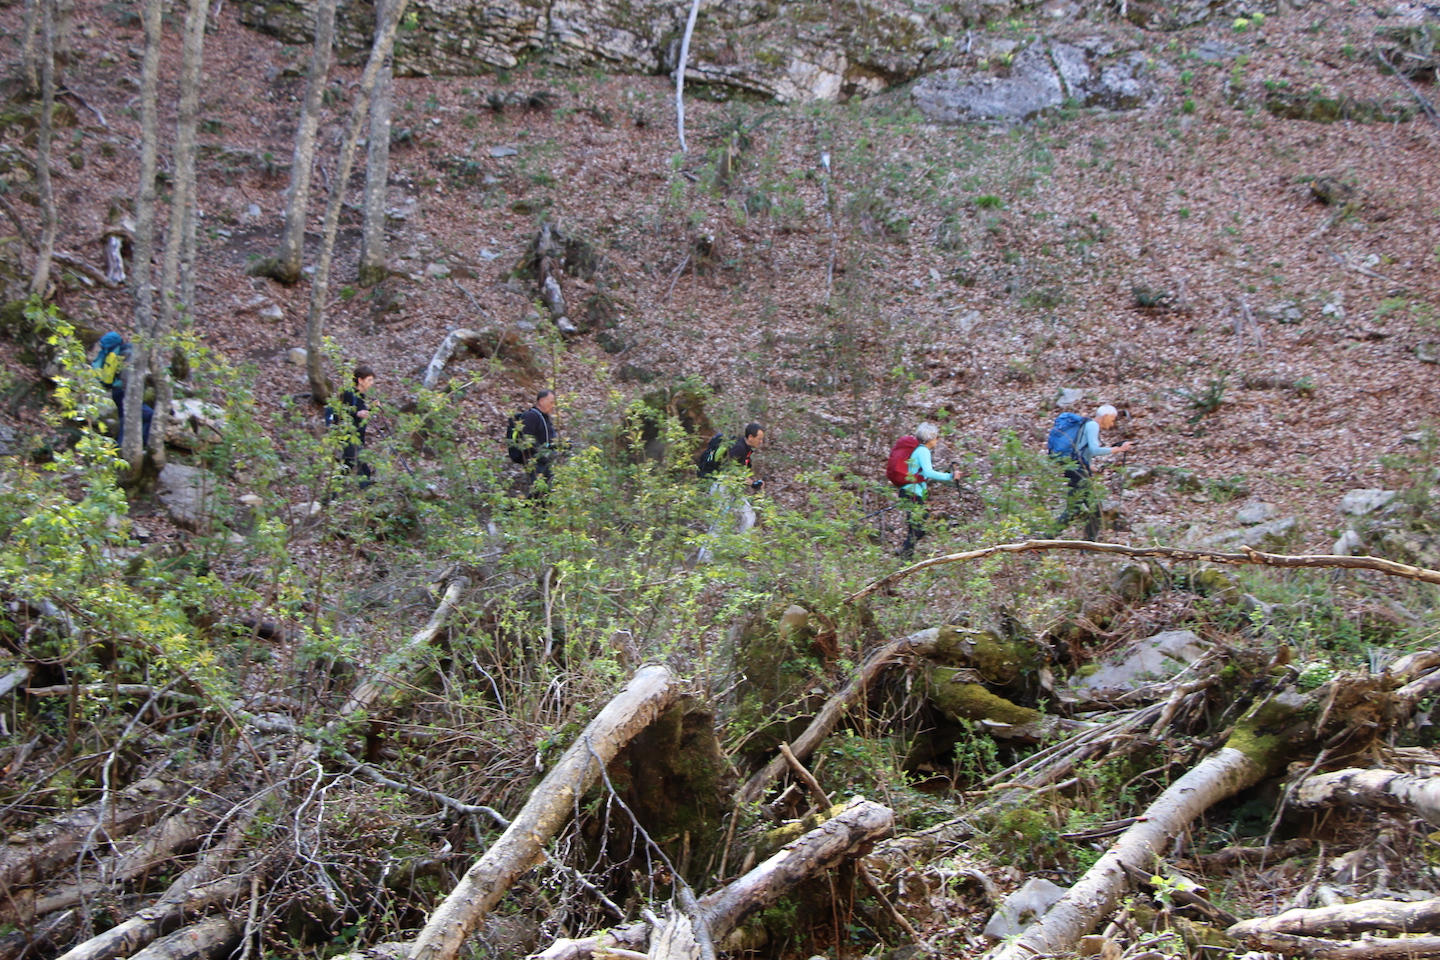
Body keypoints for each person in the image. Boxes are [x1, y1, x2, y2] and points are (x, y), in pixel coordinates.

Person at [1050, 404, 1133, 540]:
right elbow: (1095, 450)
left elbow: (1081, 451)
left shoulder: (1086, 425)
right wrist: (1119, 449)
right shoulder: (1093, 425)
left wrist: (1092, 468)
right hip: (1079, 473)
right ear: (1105, 416)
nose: (1112, 424)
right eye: (1112, 419)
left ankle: (1045, 540)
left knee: (1074, 510)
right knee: (1095, 509)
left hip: (1074, 470)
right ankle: (1088, 545)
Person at [697, 423, 764, 564]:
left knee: (748, 515)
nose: (761, 441)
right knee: (720, 522)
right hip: (722, 488)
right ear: (750, 437)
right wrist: (746, 482)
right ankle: (704, 559)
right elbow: (727, 472)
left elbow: (739, 473)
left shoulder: (746, 450)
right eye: (759, 439)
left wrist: (754, 484)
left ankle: (742, 551)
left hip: (732, 489)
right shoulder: (738, 448)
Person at [897, 422, 955, 561]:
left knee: (917, 527)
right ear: (929, 438)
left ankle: (905, 556)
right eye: (936, 437)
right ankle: (905, 557)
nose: (937, 440)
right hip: (912, 493)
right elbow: (929, 472)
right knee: (920, 526)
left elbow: (920, 473)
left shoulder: (918, 450)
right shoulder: (923, 451)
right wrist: (950, 476)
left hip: (910, 491)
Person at [92, 332, 153, 448]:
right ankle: (138, 445)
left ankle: (122, 448)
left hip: (116, 392)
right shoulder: (127, 353)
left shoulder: (111, 354)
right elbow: (126, 377)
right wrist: (130, 394)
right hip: (126, 392)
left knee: (124, 420)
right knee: (149, 416)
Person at [327, 364, 375, 489]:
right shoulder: (349, 393)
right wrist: (356, 413)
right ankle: (368, 498)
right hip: (348, 437)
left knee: (345, 468)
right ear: (360, 380)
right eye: (369, 380)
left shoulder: (363, 397)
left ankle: (330, 496)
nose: (372, 383)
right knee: (362, 469)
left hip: (357, 438)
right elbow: (340, 413)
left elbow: (362, 414)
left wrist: (372, 408)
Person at [520, 389, 561, 497]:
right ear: (542, 401)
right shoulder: (531, 416)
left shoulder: (545, 417)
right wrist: (541, 453)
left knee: (547, 493)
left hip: (547, 462)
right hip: (536, 463)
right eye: (551, 402)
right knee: (536, 494)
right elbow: (527, 438)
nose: (553, 406)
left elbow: (547, 439)